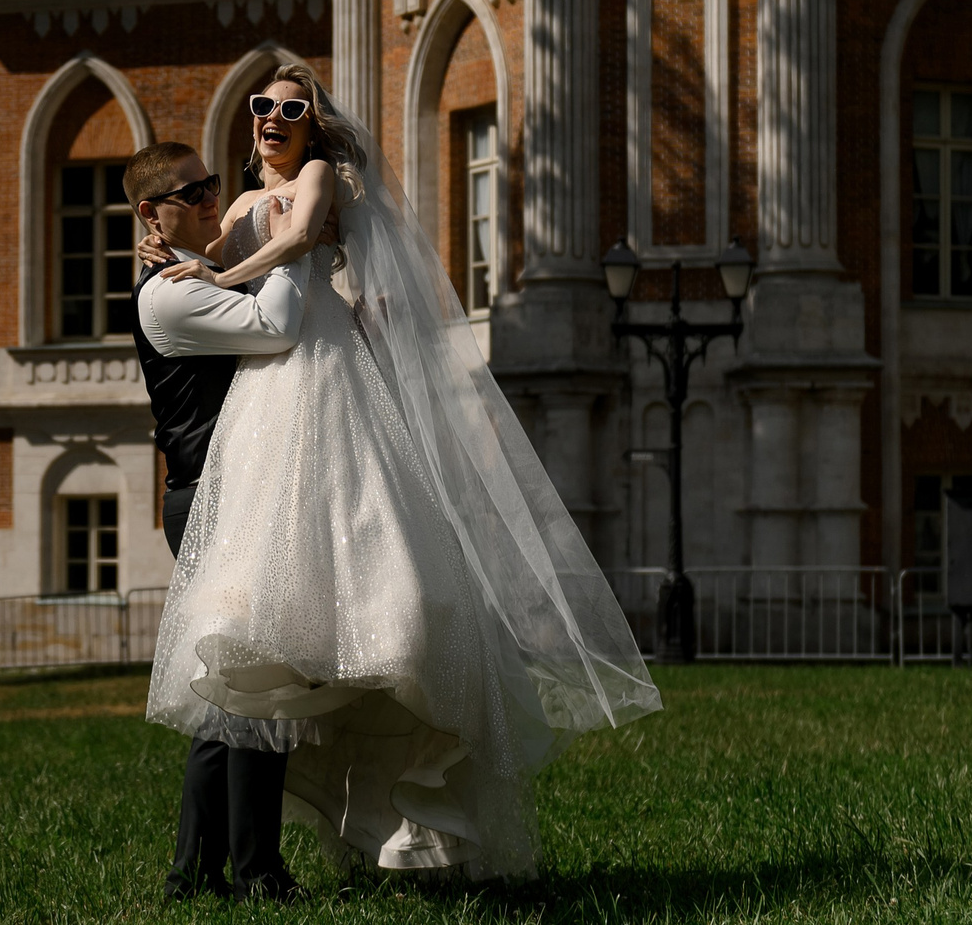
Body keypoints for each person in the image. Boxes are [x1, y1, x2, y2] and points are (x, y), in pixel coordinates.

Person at [142, 62, 660, 879]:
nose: (274, 117)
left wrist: (219, 270)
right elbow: (206, 253)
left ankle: (334, 794)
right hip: (264, 404)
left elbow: (299, 240)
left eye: (292, 107)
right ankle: (224, 856)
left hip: (325, 377)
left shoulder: (319, 174)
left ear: (314, 123)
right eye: (263, 106)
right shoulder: (237, 203)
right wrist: (175, 250)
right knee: (258, 616)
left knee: (370, 562)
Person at [120, 140, 310, 902]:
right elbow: (278, 326)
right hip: (210, 498)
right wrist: (293, 236)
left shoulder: (185, 274)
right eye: (189, 190)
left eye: (212, 184)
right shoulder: (171, 290)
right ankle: (254, 870)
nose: (208, 199)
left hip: (224, 492)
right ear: (150, 211)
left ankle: (198, 873)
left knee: (231, 692)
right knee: (252, 684)